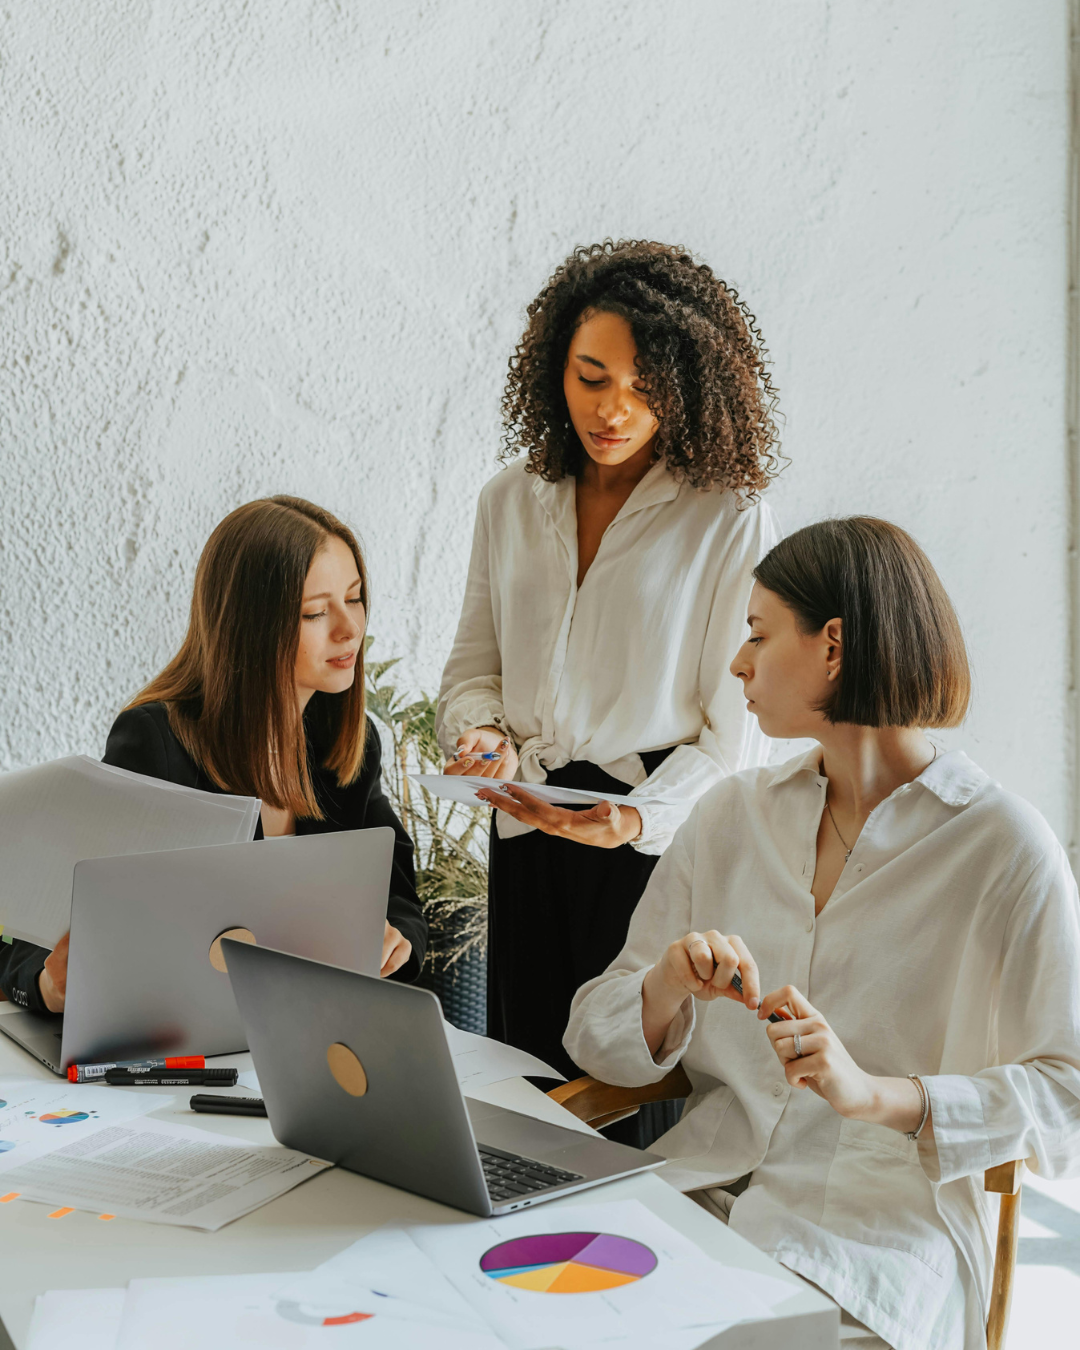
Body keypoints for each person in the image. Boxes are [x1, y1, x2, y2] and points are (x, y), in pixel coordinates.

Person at [564, 517, 1080, 1350]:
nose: (737, 663)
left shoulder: (1004, 849)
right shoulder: (730, 817)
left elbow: (1066, 1097)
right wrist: (664, 985)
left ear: (833, 646)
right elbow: (595, 1034)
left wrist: (878, 1095)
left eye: (759, 635)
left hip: (874, 1254)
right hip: (688, 1208)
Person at [436, 239, 783, 1106]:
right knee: (520, 1082)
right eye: (592, 378)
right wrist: (482, 736)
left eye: (644, 388)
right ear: (555, 368)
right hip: (524, 826)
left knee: (619, 1094)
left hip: (647, 849)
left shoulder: (728, 520)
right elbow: (471, 670)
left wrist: (633, 820)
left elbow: (729, 735)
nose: (613, 410)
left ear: (690, 387)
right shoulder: (508, 500)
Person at [1, 496, 427, 1014]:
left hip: (307, 1032)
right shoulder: (158, 743)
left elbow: (400, 900)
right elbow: (34, 934)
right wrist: (51, 986)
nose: (350, 629)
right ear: (251, 626)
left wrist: (394, 942)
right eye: (315, 611)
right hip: (179, 1046)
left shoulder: (348, 742)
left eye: (355, 599)